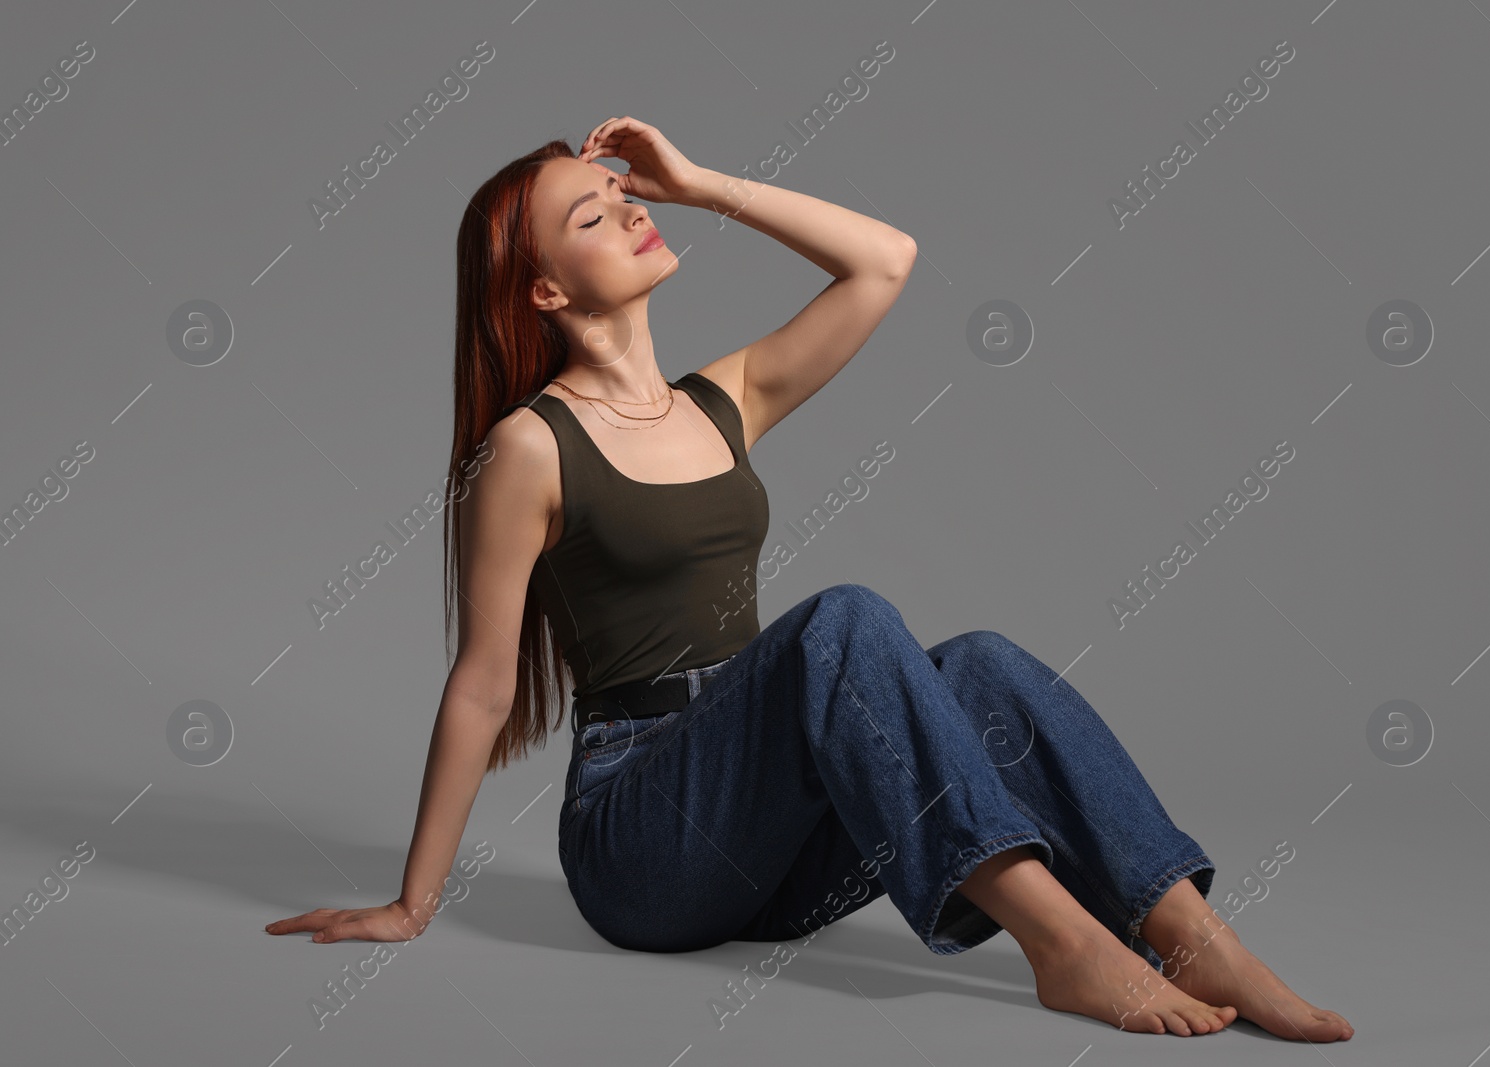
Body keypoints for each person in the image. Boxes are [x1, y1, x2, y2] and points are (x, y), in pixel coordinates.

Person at [266, 116, 1353, 1042]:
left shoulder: (718, 399)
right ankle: (1063, 941)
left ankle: (1195, 937)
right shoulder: (530, 448)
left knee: (978, 665)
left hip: (765, 842)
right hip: (639, 836)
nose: (630, 208)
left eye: (621, 192)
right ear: (543, 287)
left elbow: (884, 257)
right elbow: (484, 683)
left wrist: (699, 183)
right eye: (592, 215)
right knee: (845, 622)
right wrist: (414, 903)